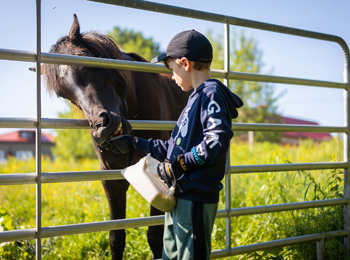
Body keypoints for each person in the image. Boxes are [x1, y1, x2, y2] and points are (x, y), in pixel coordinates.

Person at [102, 29, 243, 260]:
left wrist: (177, 165)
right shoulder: (193, 99)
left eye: (171, 70)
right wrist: (136, 143)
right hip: (179, 195)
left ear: (184, 63)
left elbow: (215, 141)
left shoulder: (212, 94)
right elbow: (173, 147)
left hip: (197, 198)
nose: (171, 77)